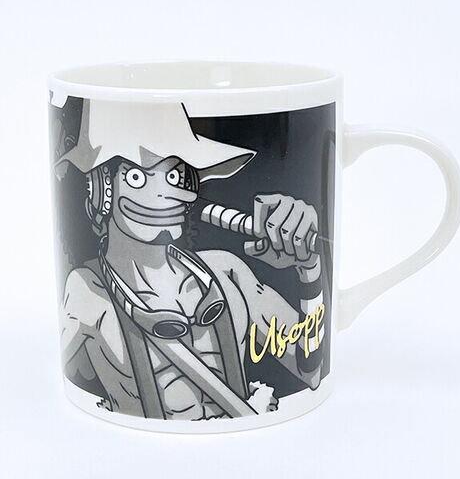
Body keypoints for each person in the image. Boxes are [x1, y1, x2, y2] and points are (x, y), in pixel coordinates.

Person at [54, 99, 325, 420]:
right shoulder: (87, 293)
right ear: (101, 189)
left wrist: (309, 267)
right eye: (137, 177)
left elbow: (311, 369)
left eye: (174, 175)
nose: (164, 193)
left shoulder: (227, 274)